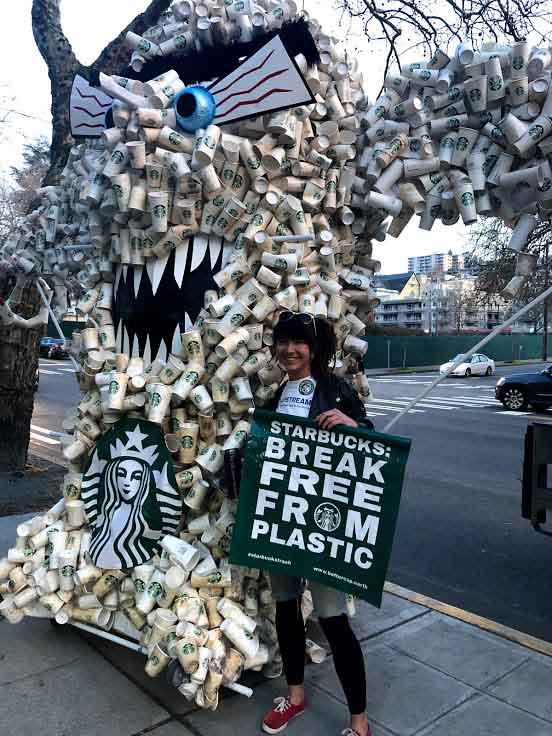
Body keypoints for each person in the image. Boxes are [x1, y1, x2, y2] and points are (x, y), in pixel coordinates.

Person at [261, 311, 373, 736]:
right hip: (281, 519)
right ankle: (294, 697)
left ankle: (359, 724)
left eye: (298, 343)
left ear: (313, 348)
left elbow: (371, 436)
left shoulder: (334, 388)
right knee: (286, 608)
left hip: (324, 522)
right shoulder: (276, 395)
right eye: (283, 342)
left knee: (331, 618)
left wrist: (353, 425)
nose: (290, 350)